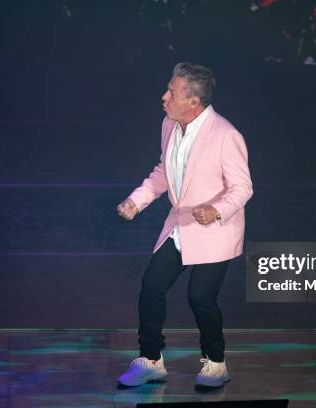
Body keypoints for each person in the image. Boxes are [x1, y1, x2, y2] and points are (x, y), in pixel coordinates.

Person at [116, 62, 253, 388]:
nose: (164, 97)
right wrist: (137, 200)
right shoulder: (169, 125)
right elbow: (165, 170)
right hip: (180, 225)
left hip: (215, 231)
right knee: (152, 287)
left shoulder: (225, 134)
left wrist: (216, 211)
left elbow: (242, 188)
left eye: (172, 92)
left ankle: (215, 363)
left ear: (193, 101)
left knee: (200, 298)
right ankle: (151, 360)